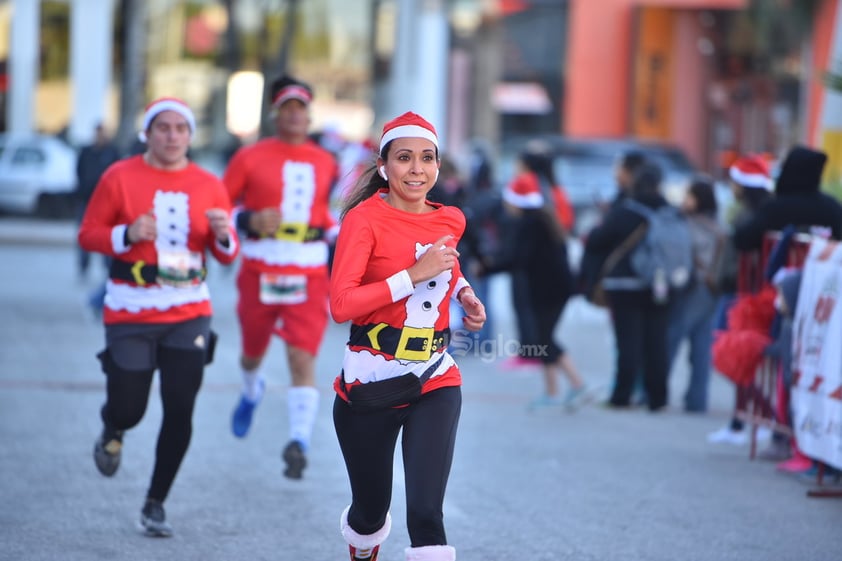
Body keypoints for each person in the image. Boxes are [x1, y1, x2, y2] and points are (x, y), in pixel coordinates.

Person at [77, 97, 239, 536]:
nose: (171, 136)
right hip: (130, 306)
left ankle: (155, 503)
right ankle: (113, 427)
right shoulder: (119, 176)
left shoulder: (209, 183)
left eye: (180, 128)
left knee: (180, 407)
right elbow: (88, 234)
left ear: (190, 135)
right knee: (130, 409)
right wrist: (124, 233)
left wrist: (224, 236)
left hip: (189, 309)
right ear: (148, 132)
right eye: (162, 127)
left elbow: (227, 252)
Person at [329, 111, 486, 561]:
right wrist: (411, 276)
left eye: (427, 158)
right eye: (404, 158)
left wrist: (466, 294)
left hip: (436, 375)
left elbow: (447, 265)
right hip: (370, 380)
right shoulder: (363, 220)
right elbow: (341, 306)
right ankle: (363, 545)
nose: (417, 169)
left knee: (426, 514)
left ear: (438, 166)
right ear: (384, 166)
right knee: (369, 514)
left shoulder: (450, 218)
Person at [223, 74, 339, 479]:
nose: (294, 115)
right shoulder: (249, 157)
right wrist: (248, 219)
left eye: (301, 108)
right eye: (287, 108)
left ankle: (299, 441)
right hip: (260, 265)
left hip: (308, 267)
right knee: (253, 350)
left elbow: (330, 213)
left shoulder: (327, 161)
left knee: (301, 355)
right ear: (275, 113)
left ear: (309, 116)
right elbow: (219, 208)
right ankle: (251, 387)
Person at [483, 147, 586, 410]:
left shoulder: (529, 225)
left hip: (551, 290)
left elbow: (516, 260)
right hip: (554, 289)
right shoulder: (541, 218)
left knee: (544, 339)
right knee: (544, 338)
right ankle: (555, 391)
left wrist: (486, 268)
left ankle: (576, 385)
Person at [581, 162, 674, 411]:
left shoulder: (624, 212)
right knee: (656, 342)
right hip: (660, 284)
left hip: (625, 284)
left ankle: (622, 396)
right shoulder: (670, 213)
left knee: (628, 342)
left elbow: (597, 241)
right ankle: (658, 398)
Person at [665, 176, 726, 413]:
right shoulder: (719, 226)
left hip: (693, 288)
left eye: (688, 196)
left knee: (672, 337)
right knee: (702, 346)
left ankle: (655, 391)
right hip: (712, 289)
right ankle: (697, 399)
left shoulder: (687, 224)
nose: (684, 200)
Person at [74, 123, 121, 315]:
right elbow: (78, 171)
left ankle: (105, 272)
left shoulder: (112, 151)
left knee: (107, 243)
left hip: (108, 204)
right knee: (85, 237)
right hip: (86, 199)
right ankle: (84, 267)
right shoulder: (87, 151)